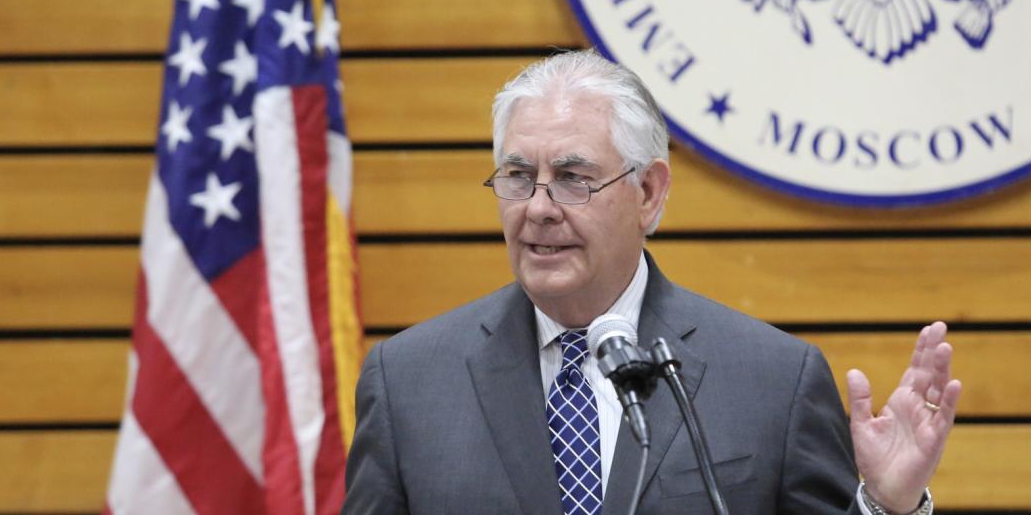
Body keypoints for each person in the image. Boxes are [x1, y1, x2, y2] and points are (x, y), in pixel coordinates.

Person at [342, 50, 962, 515]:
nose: (537, 207)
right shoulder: (408, 384)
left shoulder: (774, 381)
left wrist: (887, 506)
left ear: (648, 192)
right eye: (517, 176)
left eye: (572, 177)